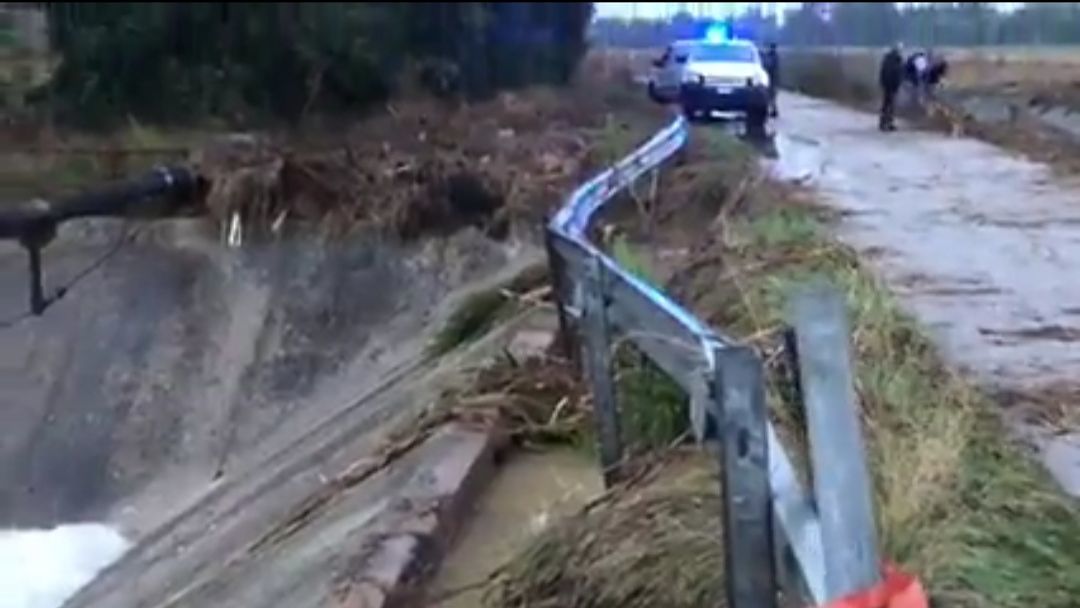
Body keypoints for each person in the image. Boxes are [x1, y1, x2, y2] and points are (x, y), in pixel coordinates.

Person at [879, 43, 904, 132]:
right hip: (892, 85)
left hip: (886, 84)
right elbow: (897, 74)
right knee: (890, 105)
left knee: (886, 105)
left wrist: (883, 83)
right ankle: (887, 124)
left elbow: (883, 72)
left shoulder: (887, 58)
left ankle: (883, 123)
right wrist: (897, 84)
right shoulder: (897, 60)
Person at [762, 42, 780, 117]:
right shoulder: (775, 56)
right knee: (771, 96)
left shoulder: (771, 56)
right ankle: (773, 110)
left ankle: (772, 111)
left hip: (771, 78)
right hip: (773, 78)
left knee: (770, 96)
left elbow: (769, 65)